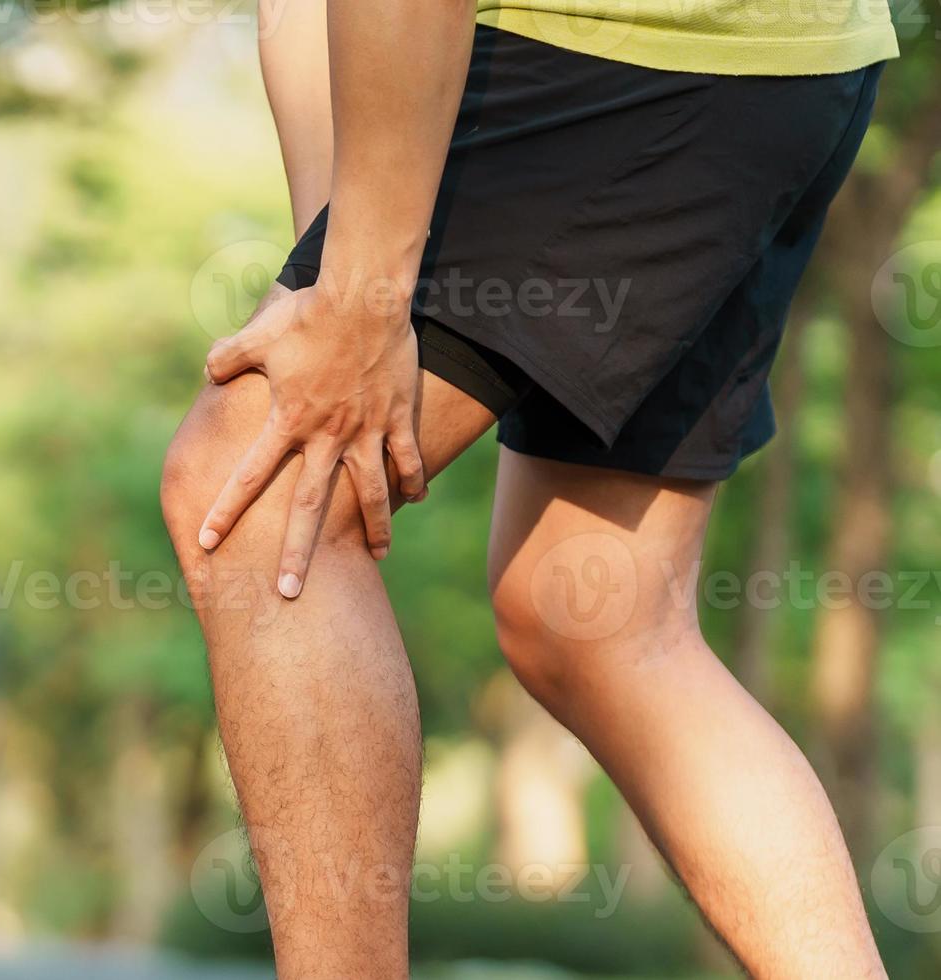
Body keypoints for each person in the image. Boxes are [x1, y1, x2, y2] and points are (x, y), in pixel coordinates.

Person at [158, 0, 901, 976]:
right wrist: (329, 292)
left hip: (620, 53)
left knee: (251, 493)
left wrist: (361, 299)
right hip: (782, 67)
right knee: (595, 620)